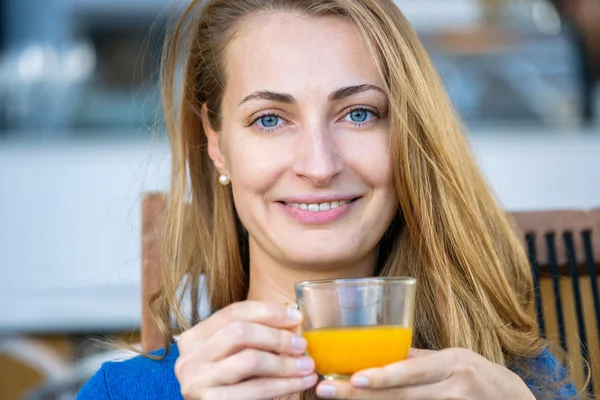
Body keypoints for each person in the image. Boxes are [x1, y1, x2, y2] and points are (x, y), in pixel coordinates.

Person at [77, 0, 579, 399]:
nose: (319, 167)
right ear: (215, 143)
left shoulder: (511, 384)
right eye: (269, 119)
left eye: (358, 114)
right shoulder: (124, 395)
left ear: (408, 136)